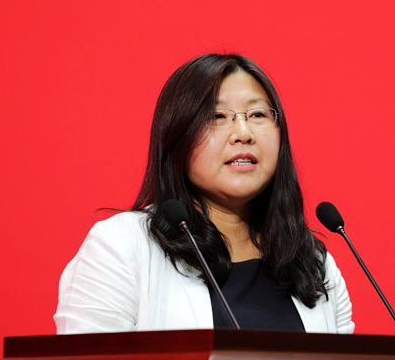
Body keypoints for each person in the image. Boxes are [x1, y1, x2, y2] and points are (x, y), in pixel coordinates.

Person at [54, 54, 354, 334]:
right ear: (177, 136)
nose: (243, 133)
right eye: (218, 116)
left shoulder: (311, 261)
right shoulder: (122, 245)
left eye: (258, 114)